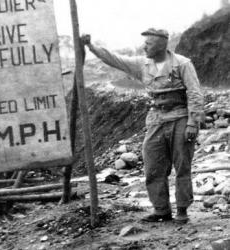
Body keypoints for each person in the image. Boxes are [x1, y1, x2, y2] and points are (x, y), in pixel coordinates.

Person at [81, 28, 204, 224]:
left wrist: (192, 122)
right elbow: (114, 59)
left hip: (180, 117)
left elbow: (195, 93)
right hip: (156, 119)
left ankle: (182, 210)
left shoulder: (182, 64)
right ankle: (161, 210)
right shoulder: (142, 64)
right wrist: (91, 46)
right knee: (152, 166)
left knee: (182, 166)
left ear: (162, 44)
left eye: (148, 44)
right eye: (144, 44)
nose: (144, 47)